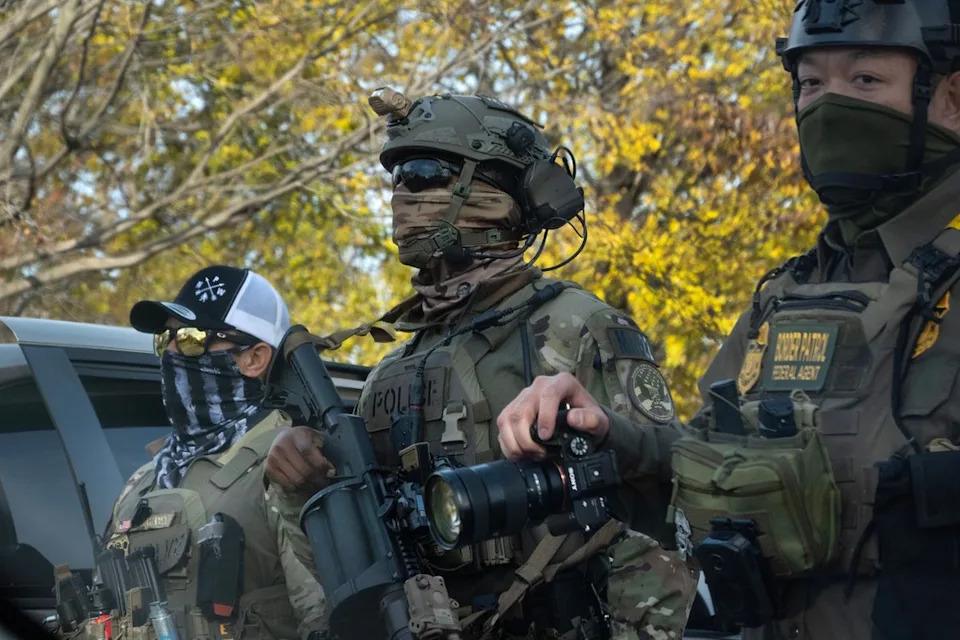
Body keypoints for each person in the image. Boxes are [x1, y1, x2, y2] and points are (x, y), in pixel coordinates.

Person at [497, 1, 960, 638]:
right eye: (810, 83)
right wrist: (605, 434)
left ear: (951, 99)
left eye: (864, 80)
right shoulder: (788, 291)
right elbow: (711, 467)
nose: (828, 107)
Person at [265, 89, 697, 639]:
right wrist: (302, 488)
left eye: (423, 175)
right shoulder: (390, 373)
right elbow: (349, 574)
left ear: (495, 191)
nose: (402, 196)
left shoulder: (577, 327)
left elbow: (669, 503)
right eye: (396, 179)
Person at [98, 266, 326, 639]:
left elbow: (324, 619)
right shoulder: (143, 481)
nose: (172, 352)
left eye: (192, 339)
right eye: (166, 338)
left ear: (254, 358)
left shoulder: (289, 463)